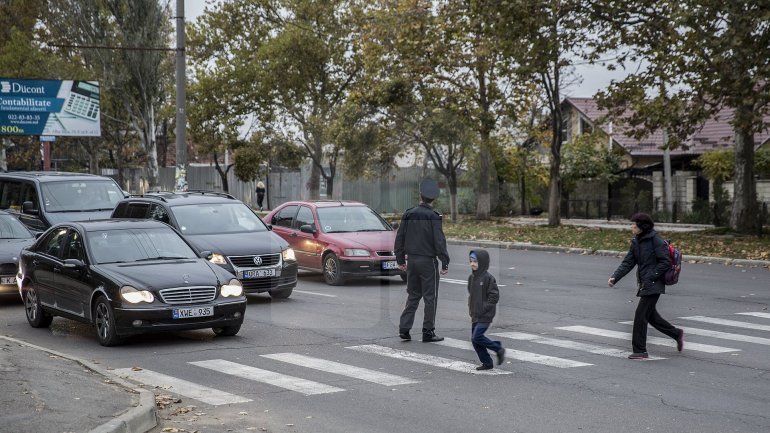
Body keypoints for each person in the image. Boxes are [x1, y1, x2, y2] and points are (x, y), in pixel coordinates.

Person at [608, 212, 685, 360]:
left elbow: (665, 262)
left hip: (654, 283)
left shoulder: (655, 240)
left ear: (642, 227)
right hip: (645, 283)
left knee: (640, 316)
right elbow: (628, 262)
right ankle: (676, 333)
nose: (631, 226)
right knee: (651, 316)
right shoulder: (636, 241)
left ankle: (640, 350)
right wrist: (615, 277)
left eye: (634, 225)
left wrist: (652, 276)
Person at [395, 179, 450, 343]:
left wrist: (400, 259)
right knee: (430, 297)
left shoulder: (408, 213)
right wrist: (445, 261)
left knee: (413, 295)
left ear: (420, 195)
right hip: (428, 262)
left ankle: (404, 329)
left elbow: (400, 238)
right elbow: (439, 241)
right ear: (434, 198)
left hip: (411, 261)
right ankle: (428, 331)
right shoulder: (434, 216)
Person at [467, 249, 505, 370]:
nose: (472, 264)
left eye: (475, 261)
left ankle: (498, 349)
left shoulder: (488, 278)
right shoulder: (471, 278)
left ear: (482, 262)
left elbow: (494, 296)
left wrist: (484, 307)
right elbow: (471, 293)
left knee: (477, 337)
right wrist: (472, 307)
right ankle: (487, 363)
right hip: (475, 314)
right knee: (475, 341)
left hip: (485, 314)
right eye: (471, 261)